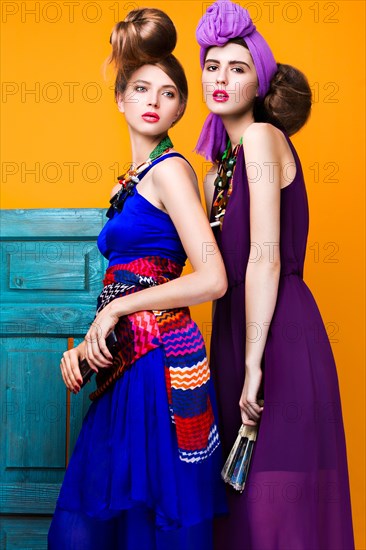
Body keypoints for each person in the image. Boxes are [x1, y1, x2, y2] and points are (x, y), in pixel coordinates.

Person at [48, 8, 228, 550]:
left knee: (151, 518)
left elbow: (213, 277)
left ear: (180, 106)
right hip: (128, 357)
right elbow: (123, 283)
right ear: (121, 98)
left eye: (170, 92)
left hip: (160, 361)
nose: (154, 100)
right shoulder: (132, 180)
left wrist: (114, 312)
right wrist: (84, 348)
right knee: (110, 519)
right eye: (142, 88)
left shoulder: (171, 169)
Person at [195, 1, 355, 548]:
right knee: (238, 507)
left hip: (277, 334)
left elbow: (264, 256)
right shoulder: (217, 167)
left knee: (274, 509)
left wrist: (253, 360)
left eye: (237, 68)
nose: (221, 78)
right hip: (234, 332)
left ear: (259, 79)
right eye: (212, 65)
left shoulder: (262, 139)